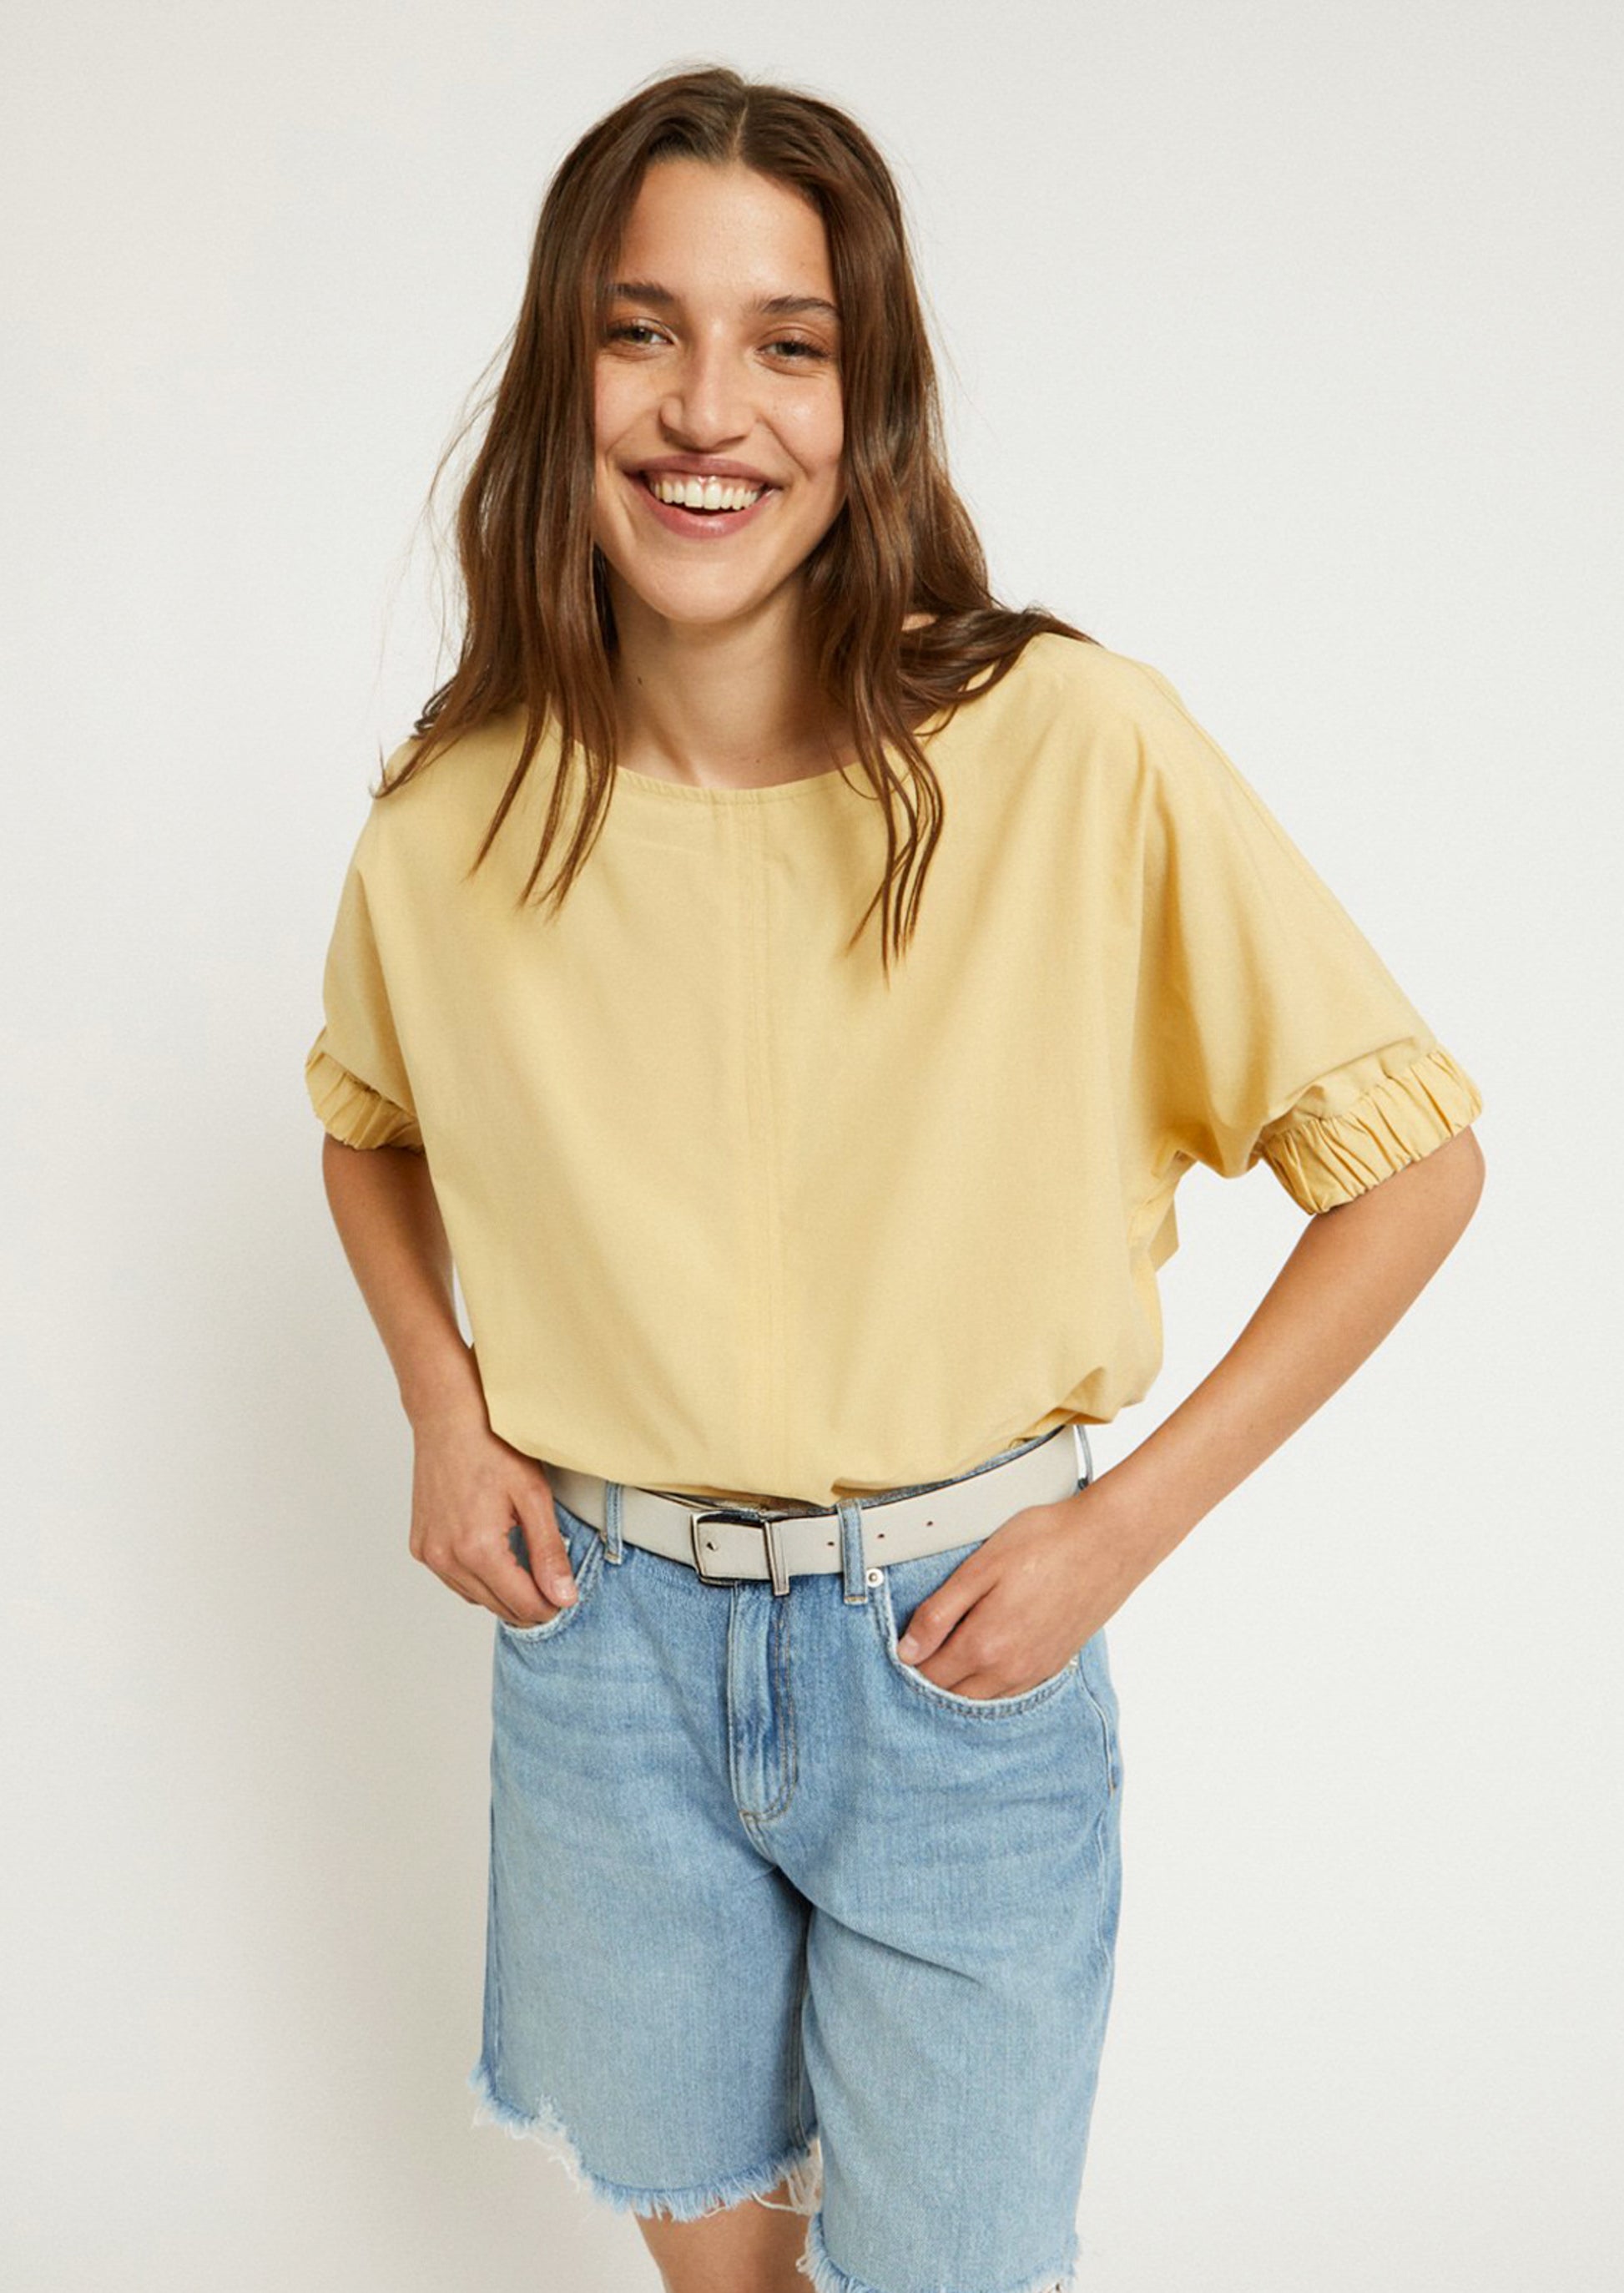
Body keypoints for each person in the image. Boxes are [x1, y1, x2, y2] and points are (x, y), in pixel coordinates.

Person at [302, 63, 1486, 2293]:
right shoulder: (454, 814)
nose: (704, 407)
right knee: (718, 2266)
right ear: (566, 362)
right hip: (603, 1653)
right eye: (641, 327)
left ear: (869, 400)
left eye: (788, 339)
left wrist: (1114, 1527)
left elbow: (1408, 1169)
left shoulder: (1067, 745)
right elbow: (369, 1119)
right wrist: (441, 1408)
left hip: (955, 1646)